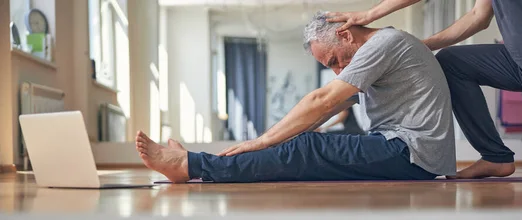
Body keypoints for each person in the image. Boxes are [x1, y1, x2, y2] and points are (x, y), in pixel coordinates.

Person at [136, 11, 456, 183]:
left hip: (412, 154)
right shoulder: (377, 52)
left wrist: (260, 141)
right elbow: (322, 113)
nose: (336, 70)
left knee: (305, 146)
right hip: (407, 152)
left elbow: (323, 100)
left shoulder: (383, 44)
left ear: (345, 34)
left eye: (334, 60)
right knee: (301, 140)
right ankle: (192, 162)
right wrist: (279, 137)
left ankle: (190, 165)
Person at [327, 0, 522, 178]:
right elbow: (478, 17)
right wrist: (420, 47)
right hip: (520, 61)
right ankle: (496, 157)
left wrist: (370, 14)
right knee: (452, 62)